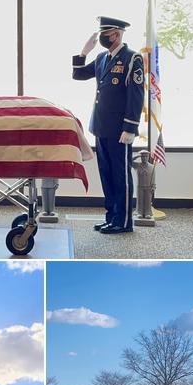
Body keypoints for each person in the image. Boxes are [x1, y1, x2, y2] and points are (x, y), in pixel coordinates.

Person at [72, 16, 145, 235]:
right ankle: (111, 217)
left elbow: (136, 95)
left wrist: (130, 128)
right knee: (106, 175)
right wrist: (83, 53)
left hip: (120, 130)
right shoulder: (103, 57)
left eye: (107, 34)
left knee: (120, 176)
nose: (104, 37)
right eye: (102, 33)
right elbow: (78, 75)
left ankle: (123, 222)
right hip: (101, 127)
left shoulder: (132, 59)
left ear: (118, 34)